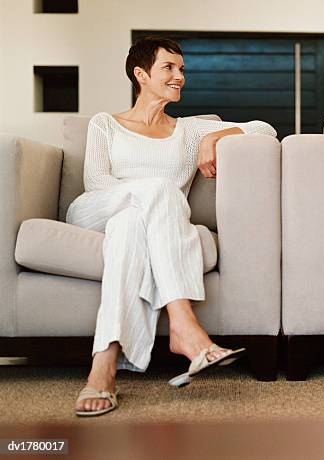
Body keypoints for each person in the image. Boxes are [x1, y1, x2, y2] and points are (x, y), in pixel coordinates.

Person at [68, 37, 277, 416]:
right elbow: (97, 183)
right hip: (95, 211)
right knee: (156, 195)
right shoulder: (106, 124)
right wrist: (153, 193)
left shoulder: (190, 130)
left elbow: (264, 129)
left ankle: (103, 367)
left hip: (136, 225)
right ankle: (183, 324)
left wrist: (215, 136)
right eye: (169, 68)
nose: (180, 77)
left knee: (131, 226)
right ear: (141, 74)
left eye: (182, 69)